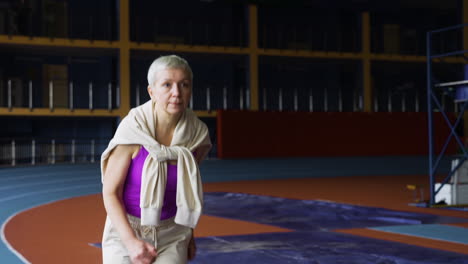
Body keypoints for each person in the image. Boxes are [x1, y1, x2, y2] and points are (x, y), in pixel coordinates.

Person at [101, 55, 212, 264]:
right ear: (151, 91)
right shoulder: (133, 129)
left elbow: (186, 190)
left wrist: (189, 234)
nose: (176, 93)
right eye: (167, 85)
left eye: (184, 85)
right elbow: (110, 192)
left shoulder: (196, 134)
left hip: (173, 234)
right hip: (126, 230)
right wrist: (131, 241)